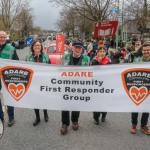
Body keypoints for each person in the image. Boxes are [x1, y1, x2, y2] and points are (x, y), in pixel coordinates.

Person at [59, 41, 90, 135]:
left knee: (77, 103)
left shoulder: (86, 58)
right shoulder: (65, 57)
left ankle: (75, 120)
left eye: (80, 48)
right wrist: (59, 65)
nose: (78, 49)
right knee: (65, 103)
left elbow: (90, 71)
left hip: (79, 86)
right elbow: (59, 70)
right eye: (76, 47)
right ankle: (65, 123)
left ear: (82, 49)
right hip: (66, 84)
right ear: (72, 48)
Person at [25, 40, 50, 126]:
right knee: (35, 100)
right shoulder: (28, 57)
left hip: (44, 81)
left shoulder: (46, 56)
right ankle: (37, 117)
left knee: (44, 99)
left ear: (41, 47)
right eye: (35, 45)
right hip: (33, 82)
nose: (37, 47)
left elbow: (50, 68)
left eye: (39, 45)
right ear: (32, 47)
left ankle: (45, 114)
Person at [130, 42, 150, 135]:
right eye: (145, 50)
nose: (146, 52)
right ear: (142, 51)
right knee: (135, 105)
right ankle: (134, 124)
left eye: (148, 50)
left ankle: (143, 125)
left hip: (148, 88)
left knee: (147, 107)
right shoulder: (137, 60)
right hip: (137, 86)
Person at [0, 31, 19, 126]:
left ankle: (11, 117)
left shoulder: (11, 49)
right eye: (0, 37)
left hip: (7, 76)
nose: (2, 39)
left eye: (4, 37)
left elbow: (17, 62)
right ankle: (1, 117)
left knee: (9, 97)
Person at [91, 46, 111, 125]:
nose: (102, 53)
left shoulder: (108, 60)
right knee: (96, 102)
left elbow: (112, 71)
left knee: (104, 102)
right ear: (97, 52)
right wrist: (98, 63)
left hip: (105, 85)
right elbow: (92, 71)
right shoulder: (94, 60)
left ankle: (104, 115)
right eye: (100, 51)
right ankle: (96, 117)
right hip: (96, 85)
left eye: (103, 51)